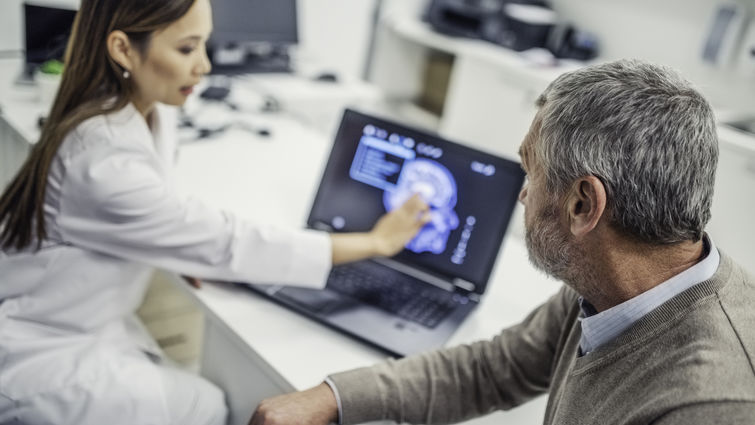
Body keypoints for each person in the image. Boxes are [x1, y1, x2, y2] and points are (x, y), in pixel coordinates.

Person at [249, 59, 755, 425]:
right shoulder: (613, 282)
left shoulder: (709, 406)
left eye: (530, 171)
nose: (521, 194)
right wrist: (335, 396)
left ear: (583, 205)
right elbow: (492, 371)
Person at [0, 1, 429, 424]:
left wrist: (172, 243)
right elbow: (229, 241)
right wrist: (375, 242)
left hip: (74, 317)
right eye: (187, 49)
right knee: (207, 407)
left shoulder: (138, 108)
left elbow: (166, 217)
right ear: (122, 49)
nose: (204, 66)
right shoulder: (103, 163)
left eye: (205, 45)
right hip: (40, 347)